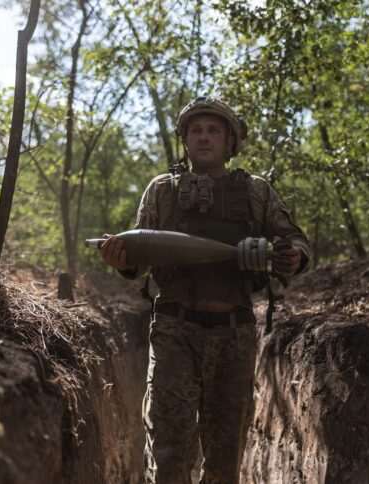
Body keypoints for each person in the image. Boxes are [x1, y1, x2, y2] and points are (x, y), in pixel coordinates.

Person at [100, 96, 311, 484]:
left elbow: (296, 242)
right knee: (168, 455)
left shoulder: (256, 192)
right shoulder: (162, 191)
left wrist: (291, 256)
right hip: (174, 333)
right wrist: (122, 259)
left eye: (213, 130)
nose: (204, 137)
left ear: (231, 141)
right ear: (185, 140)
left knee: (224, 460)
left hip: (234, 335)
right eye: (196, 130)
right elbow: (139, 255)